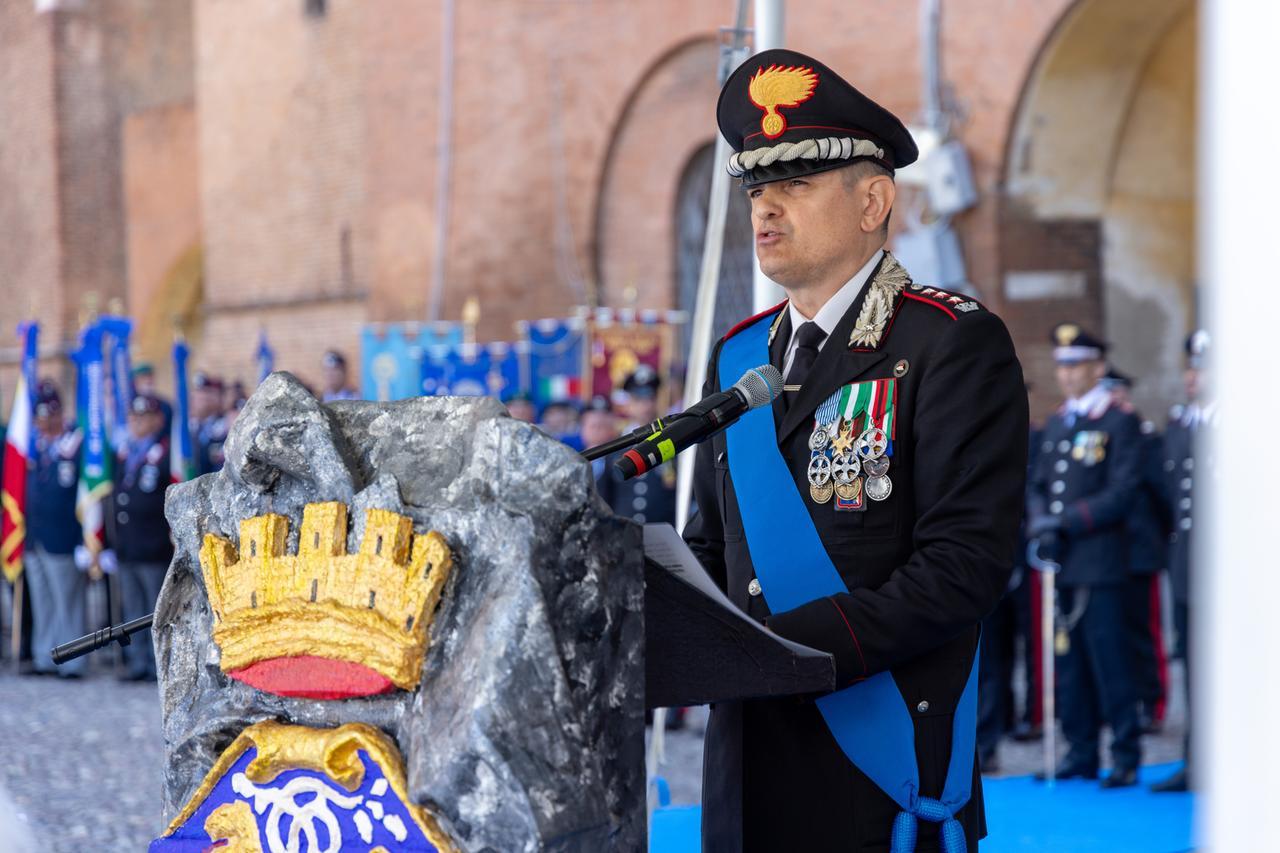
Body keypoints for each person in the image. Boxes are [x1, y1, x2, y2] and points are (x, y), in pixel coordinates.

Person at [683, 49, 1028, 851]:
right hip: (745, 768)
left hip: (881, 768)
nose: (766, 211)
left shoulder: (948, 342)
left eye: (795, 187)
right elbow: (707, 545)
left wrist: (780, 651)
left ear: (873, 200)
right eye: (757, 191)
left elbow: (963, 567)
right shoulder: (739, 360)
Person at [1027, 324, 1143, 788]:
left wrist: (1067, 520)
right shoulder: (1059, 422)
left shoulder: (1118, 422)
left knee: (1110, 660)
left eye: (1076, 365)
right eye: (1062, 365)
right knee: (1069, 665)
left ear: (1098, 368)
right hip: (1061, 561)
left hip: (1100, 559)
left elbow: (1123, 491)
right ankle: (1080, 751)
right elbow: (1038, 482)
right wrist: (1039, 518)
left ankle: (1126, 753)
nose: (1068, 375)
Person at [1151, 330, 1211, 793]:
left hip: (1234, 574)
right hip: (1189, 567)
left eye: (1203, 367)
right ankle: (1198, 760)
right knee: (1194, 664)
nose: (1194, 376)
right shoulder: (1181, 425)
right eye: (1191, 367)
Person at [1104, 368, 1170, 733]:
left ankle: (1153, 701)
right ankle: (1125, 700)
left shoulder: (1143, 435)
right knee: (1118, 634)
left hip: (1142, 549)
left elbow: (1162, 493)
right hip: (1113, 553)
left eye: (1117, 393)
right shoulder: (1105, 431)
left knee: (1146, 632)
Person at [22, 380, 88, 678]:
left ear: (61, 413)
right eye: (40, 416)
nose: (44, 421)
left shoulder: (76, 444)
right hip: (34, 536)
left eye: (50, 414)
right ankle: (43, 657)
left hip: (64, 535)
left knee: (67, 602)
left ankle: (72, 660)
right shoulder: (30, 445)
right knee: (42, 601)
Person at [108, 393, 174, 681]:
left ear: (157, 420)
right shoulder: (127, 452)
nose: (136, 422)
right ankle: (138, 662)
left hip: (154, 546)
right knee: (133, 609)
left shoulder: (166, 453)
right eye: (133, 417)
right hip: (128, 546)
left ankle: (160, 666)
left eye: (143, 417)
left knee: (156, 612)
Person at [602, 367, 676, 526]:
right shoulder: (616, 445)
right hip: (625, 533)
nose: (645, 406)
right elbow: (606, 496)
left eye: (650, 399)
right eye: (638, 400)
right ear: (628, 403)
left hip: (663, 532)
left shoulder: (671, 440)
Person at [191, 371, 228, 476]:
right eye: (197, 394)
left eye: (206, 394)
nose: (201, 400)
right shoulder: (189, 427)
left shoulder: (225, 426)